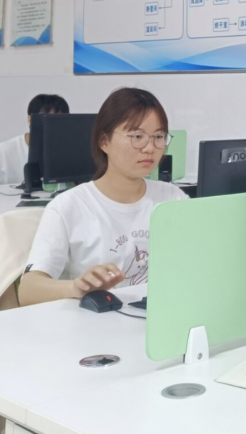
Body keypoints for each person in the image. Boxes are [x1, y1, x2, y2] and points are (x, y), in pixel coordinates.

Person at [19, 88, 187, 306]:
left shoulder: (173, 198)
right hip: (96, 321)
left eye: (158, 137)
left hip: (161, 316)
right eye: (137, 136)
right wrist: (76, 287)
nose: (150, 148)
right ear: (104, 141)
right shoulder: (68, 206)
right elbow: (28, 290)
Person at [0, 94, 69, 189]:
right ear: (30, 120)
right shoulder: (5, 150)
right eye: (45, 120)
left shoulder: (69, 149)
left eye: (58, 121)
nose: (51, 127)